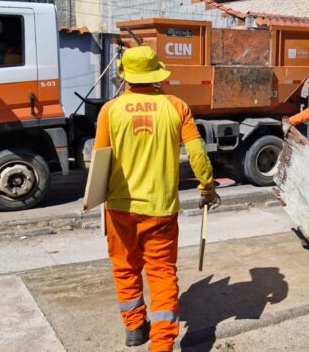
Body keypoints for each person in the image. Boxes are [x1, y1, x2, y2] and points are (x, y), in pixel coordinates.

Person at [93, 46, 220, 351]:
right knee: (162, 272)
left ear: (126, 77)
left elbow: (99, 161)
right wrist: (207, 186)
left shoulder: (110, 110)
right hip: (160, 210)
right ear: (156, 75)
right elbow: (198, 154)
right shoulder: (176, 106)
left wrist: (97, 200)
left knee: (125, 268)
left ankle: (135, 327)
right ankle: (161, 345)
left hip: (120, 207)